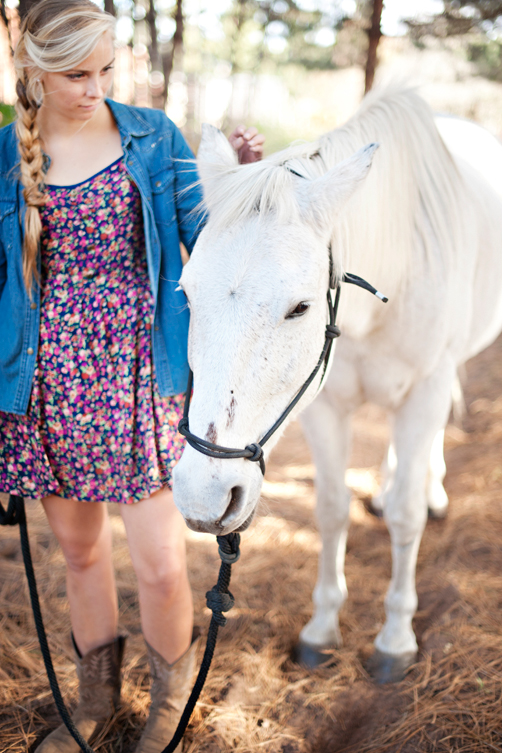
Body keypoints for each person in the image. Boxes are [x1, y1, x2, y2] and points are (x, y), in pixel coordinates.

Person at [0, 1, 264, 750]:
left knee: (158, 562)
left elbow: (210, 243)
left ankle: (168, 707)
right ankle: (94, 703)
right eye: (76, 73)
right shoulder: (1, 155)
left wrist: (241, 182)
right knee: (81, 555)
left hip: (142, 381)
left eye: (105, 70)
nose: (95, 87)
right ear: (33, 70)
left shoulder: (152, 139)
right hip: (47, 391)